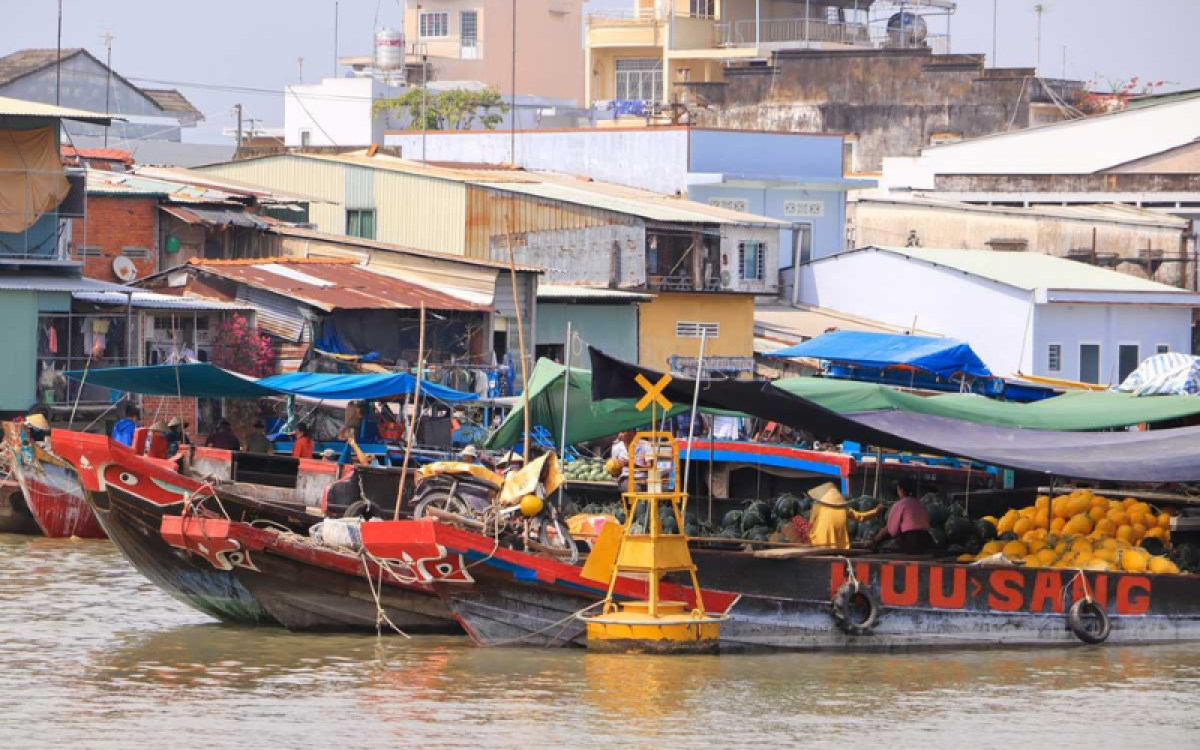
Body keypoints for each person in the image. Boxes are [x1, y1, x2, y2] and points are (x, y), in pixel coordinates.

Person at [806, 482, 881, 550]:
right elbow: (861, 517)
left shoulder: (817, 506)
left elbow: (810, 524)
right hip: (839, 545)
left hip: (818, 543)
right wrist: (876, 511)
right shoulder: (845, 509)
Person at [873, 480, 933, 555]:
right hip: (926, 541)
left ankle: (874, 545)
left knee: (885, 533)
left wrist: (877, 538)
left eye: (898, 489)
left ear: (901, 490)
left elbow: (892, 530)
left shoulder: (900, 504)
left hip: (911, 542)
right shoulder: (920, 504)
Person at [611, 429, 652, 494]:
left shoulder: (645, 444)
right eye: (621, 432)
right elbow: (614, 473)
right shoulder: (616, 447)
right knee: (636, 489)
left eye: (624, 431)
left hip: (643, 477)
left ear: (633, 433)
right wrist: (617, 466)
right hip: (625, 477)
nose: (621, 434)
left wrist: (633, 465)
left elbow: (650, 467)